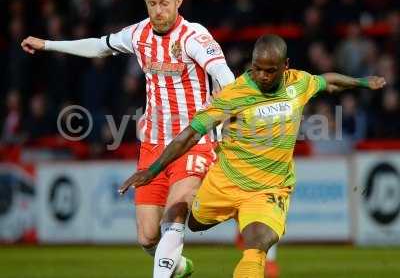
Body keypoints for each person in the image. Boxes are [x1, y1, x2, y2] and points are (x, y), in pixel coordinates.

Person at [119, 34, 386, 278]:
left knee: (257, 242)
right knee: (192, 223)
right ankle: (178, 265)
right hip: (224, 183)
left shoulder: (298, 82)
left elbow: (328, 82)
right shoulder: (234, 94)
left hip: (269, 189)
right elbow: (191, 133)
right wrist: (152, 171)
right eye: (257, 68)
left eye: (271, 70)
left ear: (285, 66)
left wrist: (362, 82)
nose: (263, 76)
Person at [21, 0, 235, 277]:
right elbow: (98, 47)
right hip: (154, 144)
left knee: (176, 211)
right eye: (152, 3)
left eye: (164, 3)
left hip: (192, 141)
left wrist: (224, 113)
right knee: (147, 237)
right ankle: (179, 265)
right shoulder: (139, 34)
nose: (158, 10)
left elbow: (225, 76)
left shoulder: (194, 36)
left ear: (179, 2)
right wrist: (48, 44)